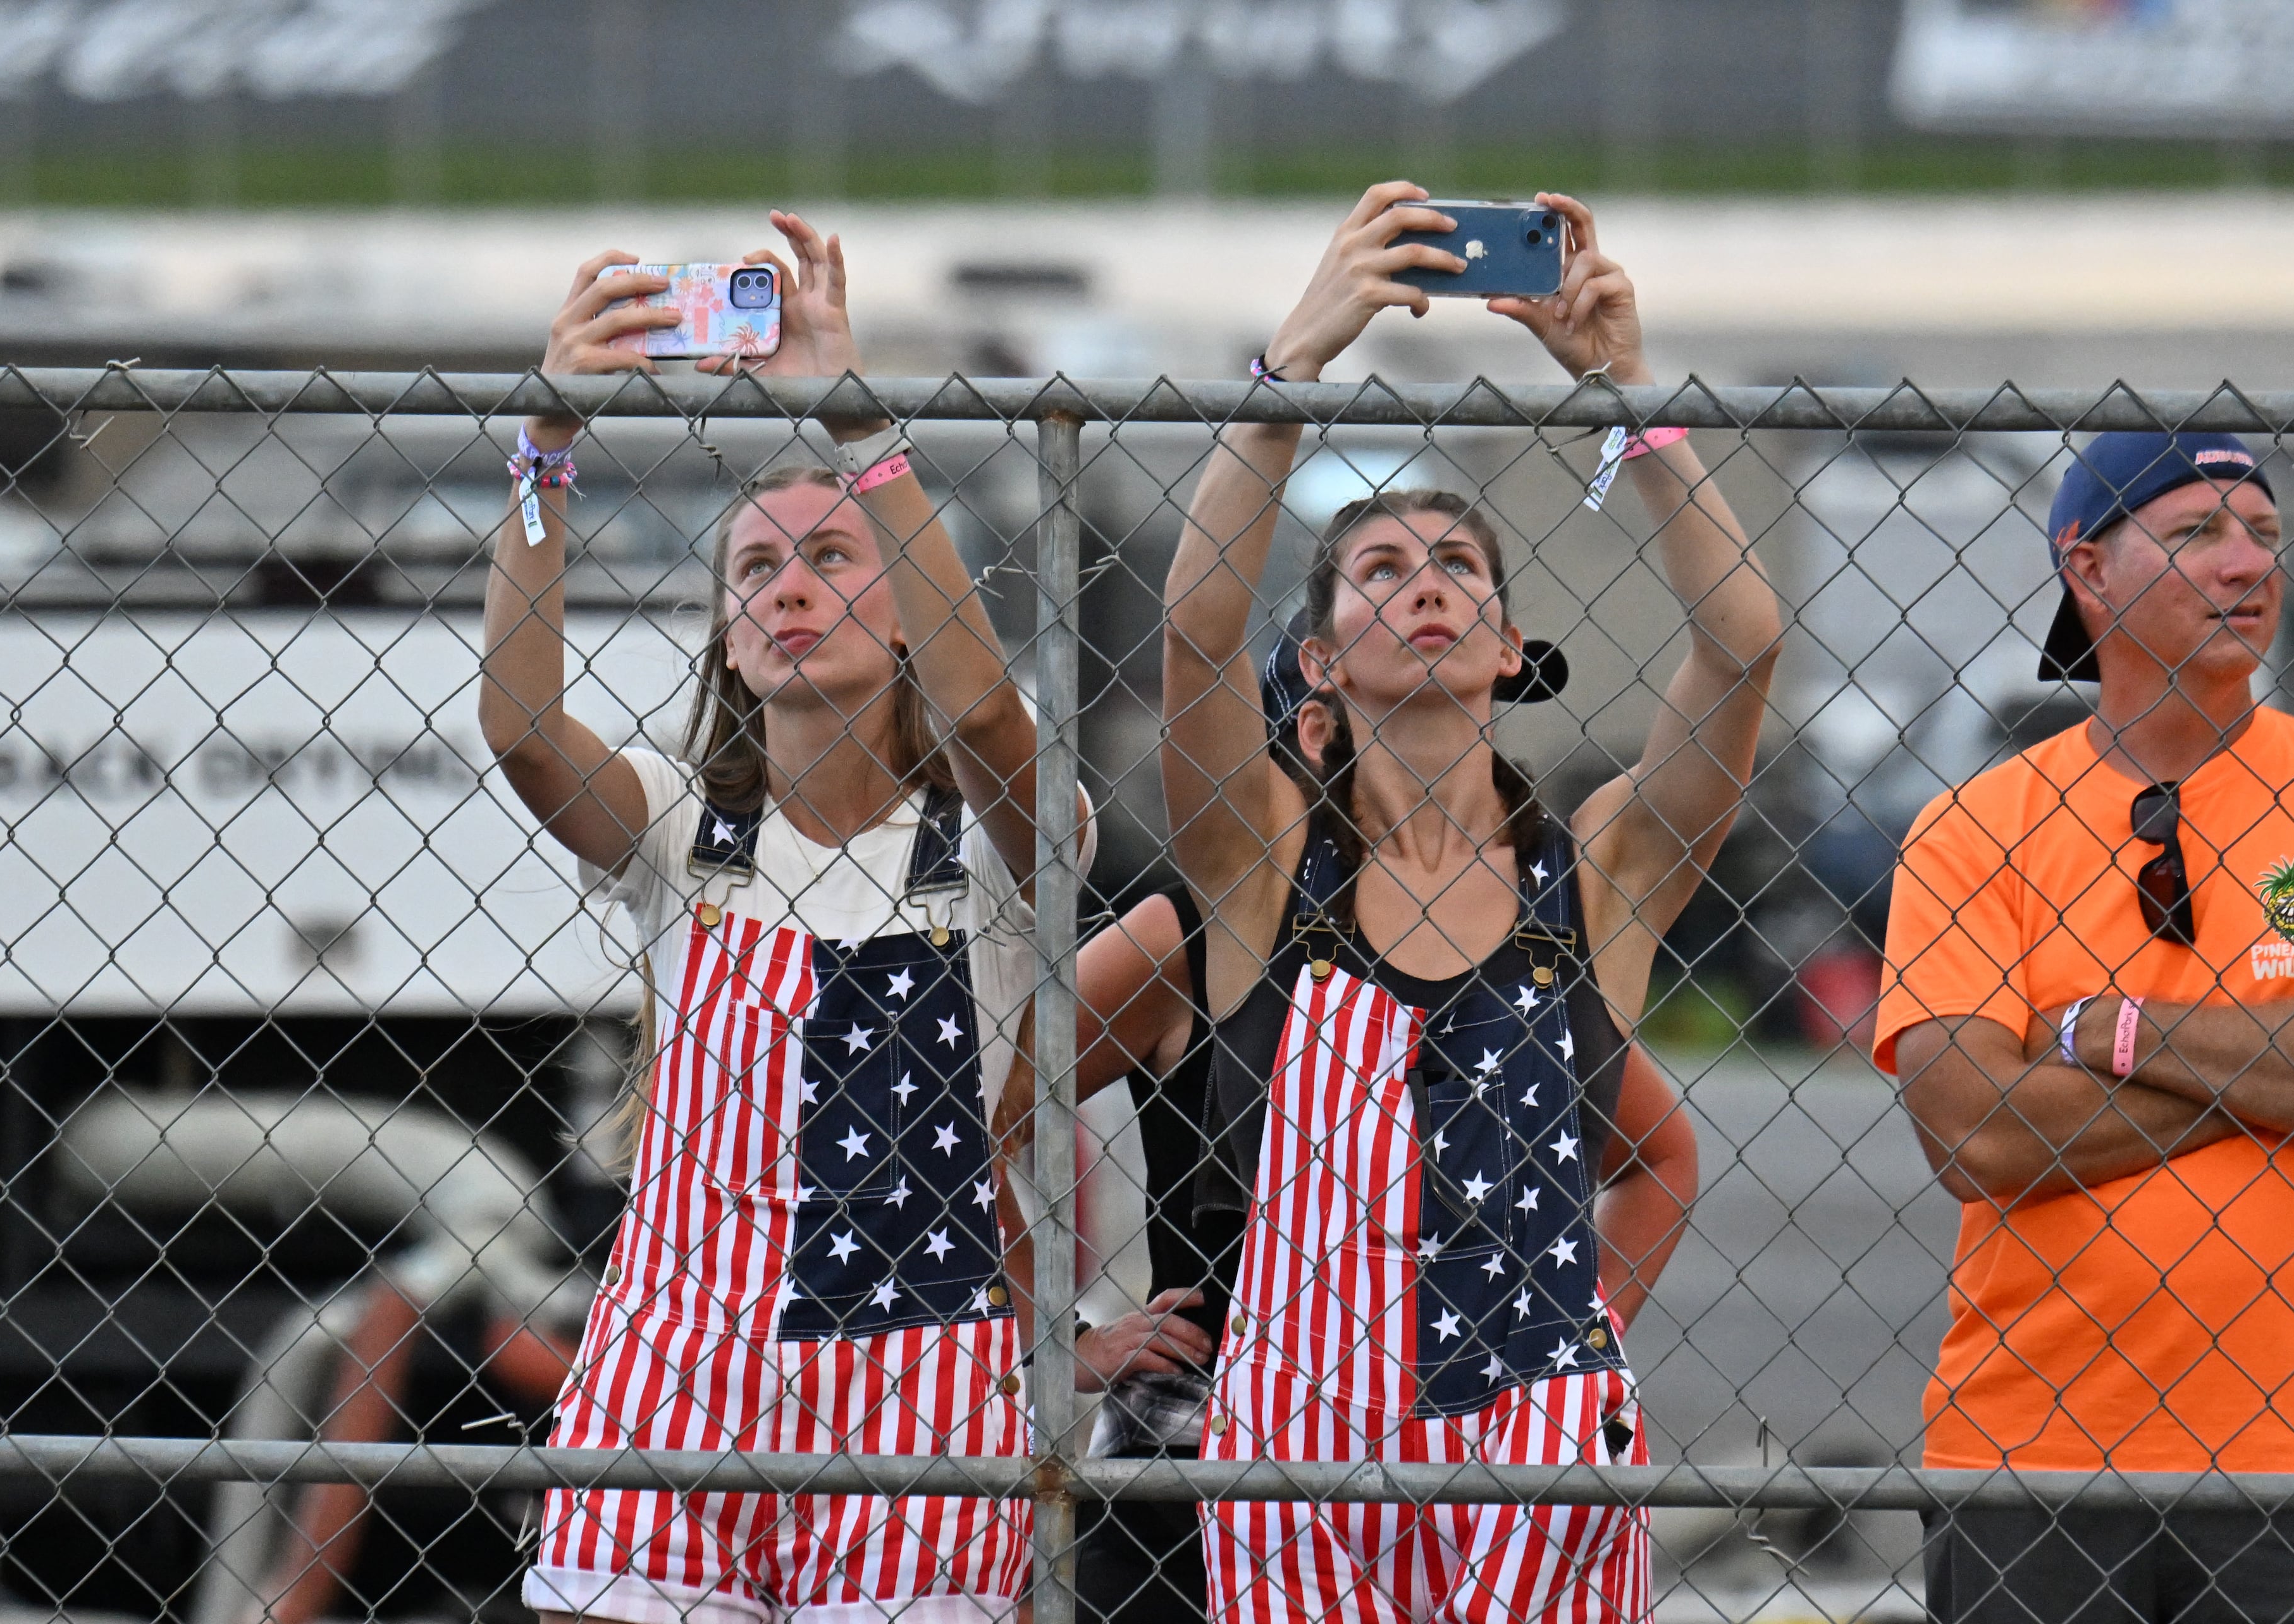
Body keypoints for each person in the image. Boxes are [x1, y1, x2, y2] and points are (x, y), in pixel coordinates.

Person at [1160, 183, 1779, 1622]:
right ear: (1314, 660)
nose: (1425, 584)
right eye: (1379, 568)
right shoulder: (1262, 863)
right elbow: (1193, 635)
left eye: (1459, 568)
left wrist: (1624, 393)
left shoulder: (1598, 870)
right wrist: (1290, 366)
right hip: (1295, 1443)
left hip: (1540, 1436)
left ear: (1508, 645)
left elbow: (1737, 647)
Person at [481, 214, 1086, 1624]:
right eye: (754, 569)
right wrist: (547, 442)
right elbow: (520, 729)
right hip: (672, 1375)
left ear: (909, 613)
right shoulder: (683, 834)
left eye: (833, 556)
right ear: (728, 636)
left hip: (918, 1387)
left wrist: (858, 425)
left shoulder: (1001, 851)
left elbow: (990, 711)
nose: (790, 586)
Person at [1877, 431, 2294, 1624]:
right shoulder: (1976, 825)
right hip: (2030, 1452)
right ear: (2088, 571)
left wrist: (2110, 1032)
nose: (2249, 565)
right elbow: (1980, 1137)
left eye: (2265, 535)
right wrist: (2276, 1058)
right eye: (2197, 533)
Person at [1039, 863, 1696, 1623]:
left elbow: (1660, 1158)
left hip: (1453, 1470)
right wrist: (1060, 1344)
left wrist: (1556, 1346)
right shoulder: (1189, 933)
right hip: (1196, 1468)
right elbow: (963, 1103)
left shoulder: (1471, 932)